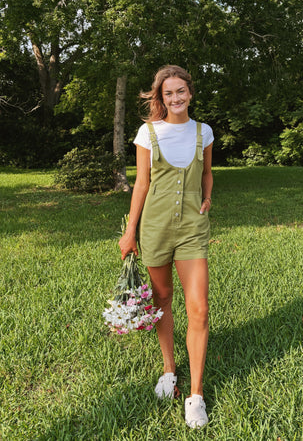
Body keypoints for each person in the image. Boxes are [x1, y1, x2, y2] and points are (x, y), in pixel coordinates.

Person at [119, 65, 213, 429]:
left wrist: (207, 196)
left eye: (181, 91)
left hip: (192, 228)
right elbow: (141, 184)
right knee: (162, 300)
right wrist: (130, 232)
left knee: (199, 309)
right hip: (155, 227)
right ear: (160, 98)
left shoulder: (203, 132)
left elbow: (207, 171)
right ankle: (169, 372)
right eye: (168, 94)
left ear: (190, 92)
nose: (175, 98)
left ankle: (196, 395)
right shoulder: (148, 132)